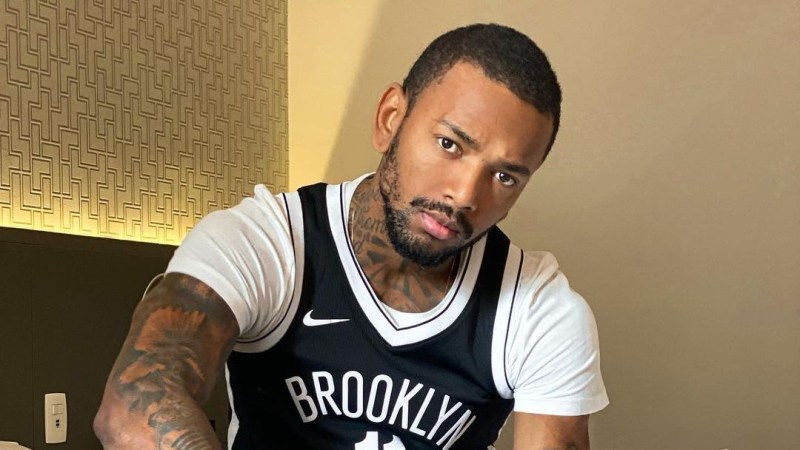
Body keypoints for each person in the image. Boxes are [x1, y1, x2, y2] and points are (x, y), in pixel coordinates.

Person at [94, 23, 608, 450]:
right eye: (450, 144)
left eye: (505, 176)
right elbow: (136, 403)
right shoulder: (267, 241)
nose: (465, 194)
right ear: (390, 120)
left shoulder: (539, 309)